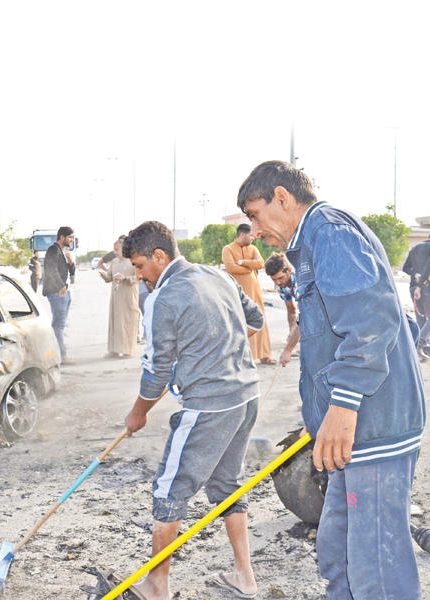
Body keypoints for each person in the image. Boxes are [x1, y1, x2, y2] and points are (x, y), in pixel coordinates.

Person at [237, 160, 425, 600]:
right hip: (346, 430)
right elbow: (327, 339)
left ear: (281, 197)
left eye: (255, 214)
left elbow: (369, 322)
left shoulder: (331, 233)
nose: (256, 230)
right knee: (338, 551)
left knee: (376, 567)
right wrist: (320, 415)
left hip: (372, 426)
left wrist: (341, 406)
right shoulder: (310, 243)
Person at [122, 221, 264, 600]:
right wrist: (219, 348)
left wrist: (138, 413)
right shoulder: (216, 276)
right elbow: (255, 320)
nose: (139, 275)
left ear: (159, 256)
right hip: (247, 395)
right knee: (226, 484)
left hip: (209, 406)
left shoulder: (161, 299)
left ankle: (156, 586)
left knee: (170, 489)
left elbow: (156, 371)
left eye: (139, 266)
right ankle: (244, 577)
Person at [222, 223, 275, 364]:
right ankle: (243, 357)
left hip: (255, 291)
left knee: (260, 318)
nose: (252, 238)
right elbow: (230, 267)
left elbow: (260, 263)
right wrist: (248, 269)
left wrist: (243, 262)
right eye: (250, 235)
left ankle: (264, 354)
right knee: (240, 321)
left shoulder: (253, 248)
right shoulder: (227, 249)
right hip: (237, 293)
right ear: (242, 234)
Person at [402, 231, 430, 360]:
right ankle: (418, 345)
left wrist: (415, 274)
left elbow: (405, 268)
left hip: (413, 287)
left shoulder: (415, 248)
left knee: (421, 318)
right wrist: (420, 286)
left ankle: (425, 350)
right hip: (425, 287)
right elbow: (429, 266)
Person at [99, 236, 140, 357]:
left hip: (128, 296)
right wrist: (105, 277)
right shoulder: (114, 262)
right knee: (115, 322)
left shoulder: (134, 261)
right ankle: (114, 350)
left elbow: (140, 277)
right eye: (114, 249)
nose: (115, 252)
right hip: (116, 298)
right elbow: (110, 277)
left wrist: (126, 278)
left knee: (128, 322)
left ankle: (128, 350)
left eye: (117, 250)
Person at [42, 226, 75, 362]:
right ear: (62, 237)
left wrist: (71, 261)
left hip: (64, 291)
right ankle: (61, 356)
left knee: (60, 325)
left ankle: (56, 354)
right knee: (58, 325)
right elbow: (50, 270)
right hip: (57, 292)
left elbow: (72, 272)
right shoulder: (53, 250)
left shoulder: (63, 252)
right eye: (70, 237)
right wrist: (61, 286)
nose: (72, 240)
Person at [264, 253, 300, 367]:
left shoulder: (302, 281)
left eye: (280, 278)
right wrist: (292, 331)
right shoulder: (282, 286)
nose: (278, 283)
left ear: (289, 270)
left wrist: (288, 349)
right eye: (274, 280)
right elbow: (291, 310)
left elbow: (305, 317)